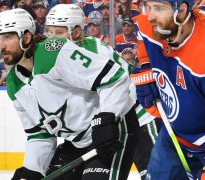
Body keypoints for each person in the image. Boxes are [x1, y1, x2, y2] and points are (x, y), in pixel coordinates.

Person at [0, 8, 137, 180]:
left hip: (112, 131)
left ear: (26, 37)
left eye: (8, 37)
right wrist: (32, 171)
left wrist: (107, 118)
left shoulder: (51, 52)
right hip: (76, 143)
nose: (1, 45)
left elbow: (115, 77)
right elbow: (39, 134)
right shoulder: (13, 84)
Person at [46, 4, 160, 179]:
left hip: (138, 116)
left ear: (76, 32)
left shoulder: (92, 50)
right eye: (50, 32)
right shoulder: (54, 57)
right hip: (105, 126)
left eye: (59, 33)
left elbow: (119, 84)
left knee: (155, 174)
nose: (52, 39)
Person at [132, 0, 205, 179]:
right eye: (148, 6)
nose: (150, 16)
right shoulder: (151, 22)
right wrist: (147, 66)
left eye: (159, 8)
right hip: (171, 136)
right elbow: (142, 35)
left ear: (182, 10)